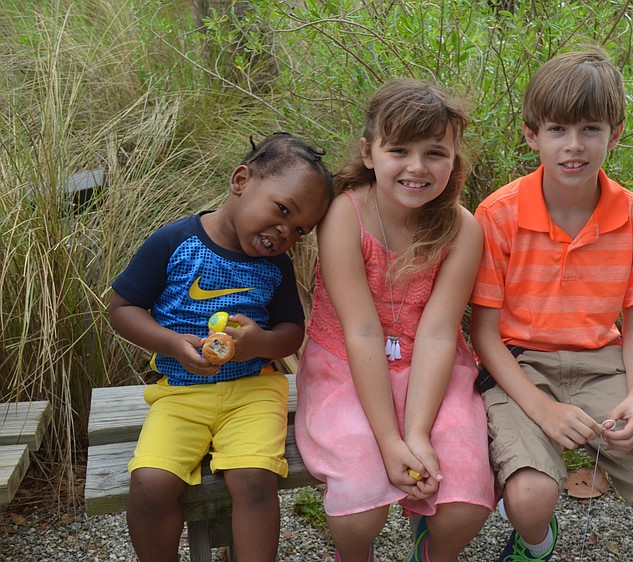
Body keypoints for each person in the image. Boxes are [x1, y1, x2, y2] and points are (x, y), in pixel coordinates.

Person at [469, 47, 633, 562]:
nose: (573, 147)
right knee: (530, 499)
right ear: (532, 134)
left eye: (590, 129)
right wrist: (544, 410)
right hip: (522, 365)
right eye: (557, 130)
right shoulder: (498, 215)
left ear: (614, 132)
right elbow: (483, 333)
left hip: (603, 367)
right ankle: (534, 543)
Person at [108, 132, 334, 562]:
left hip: (254, 390)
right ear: (241, 180)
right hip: (180, 392)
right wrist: (173, 343)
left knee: (253, 479)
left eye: (299, 230)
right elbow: (123, 309)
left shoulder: (276, 266)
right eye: (282, 210)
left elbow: (292, 331)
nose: (285, 232)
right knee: (151, 485)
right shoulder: (175, 243)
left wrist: (259, 344)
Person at [295, 79, 495, 562]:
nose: (417, 168)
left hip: (431, 368)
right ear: (369, 152)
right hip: (346, 363)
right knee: (360, 511)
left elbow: (438, 330)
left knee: (463, 502)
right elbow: (360, 328)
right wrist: (390, 439)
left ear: (454, 157)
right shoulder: (347, 214)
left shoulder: (462, 230)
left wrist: (418, 433)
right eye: (399, 150)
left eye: (435, 153)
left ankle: (430, 551)